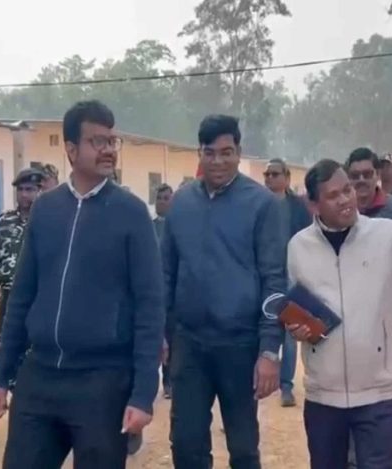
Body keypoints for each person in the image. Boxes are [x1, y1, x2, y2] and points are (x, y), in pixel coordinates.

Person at [0, 100, 164, 469]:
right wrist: (1, 376)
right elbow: (22, 297)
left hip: (103, 382)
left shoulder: (131, 213)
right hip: (40, 376)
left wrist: (143, 393)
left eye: (112, 141)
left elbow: (150, 304)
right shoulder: (46, 210)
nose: (108, 149)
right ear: (70, 149)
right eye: (97, 141)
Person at [285, 158, 392, 469]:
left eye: (347, 189)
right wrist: (297, 328)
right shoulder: (298, 248)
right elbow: (297, 308)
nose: (345, 199)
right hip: (323, 397)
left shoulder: (386, 235)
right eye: (333, 195)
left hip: (377, 395)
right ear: (313, 205)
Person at [163, 115, 284, 469]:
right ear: (199, 153)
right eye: (210, 153)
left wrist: (269, 351)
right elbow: (165, 273)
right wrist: (160, 333)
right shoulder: (181, 204)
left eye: (226, 152)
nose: (218, 161)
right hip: (190, 345)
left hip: (240, 345)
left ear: (239, 152)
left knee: (243, 449)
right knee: (186, 446)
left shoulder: (262, 204)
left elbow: (274, 281)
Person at [345, 148, 392, 469]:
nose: (361, 180)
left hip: (390, 318)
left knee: (388, 386)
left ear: (377, 175)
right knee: (348, 384)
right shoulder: (338, 210)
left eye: (367, 174)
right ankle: (351, 455)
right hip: (345, 320)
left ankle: (387, 450)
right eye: (355, 175)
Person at [262, 158, 311, 408]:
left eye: (275, 174)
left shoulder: (299, 207)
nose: (270, 178)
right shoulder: (258, 205)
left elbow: (309, 238)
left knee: (290, 334)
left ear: (287, 177)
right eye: (267, 175)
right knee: (264, 329)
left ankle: (286, 387)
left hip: (292, 276)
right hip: (264, 277)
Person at [0, 167, 45, 346]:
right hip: (9, 298)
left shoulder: (49, 221)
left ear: (40, 191)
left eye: (29, 189)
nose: (24, 194)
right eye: (20, 189)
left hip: (39, 299)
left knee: (36, 353)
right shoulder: (4, 221)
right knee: (5, 348)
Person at [154, 183, 174, 400]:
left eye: (166, 198)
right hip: (155, 290)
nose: (162, 202)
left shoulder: (177, 228)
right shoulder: (149, 226)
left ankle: (170, 382)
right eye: (159, 198)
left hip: (172, 294)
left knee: (172, 338)